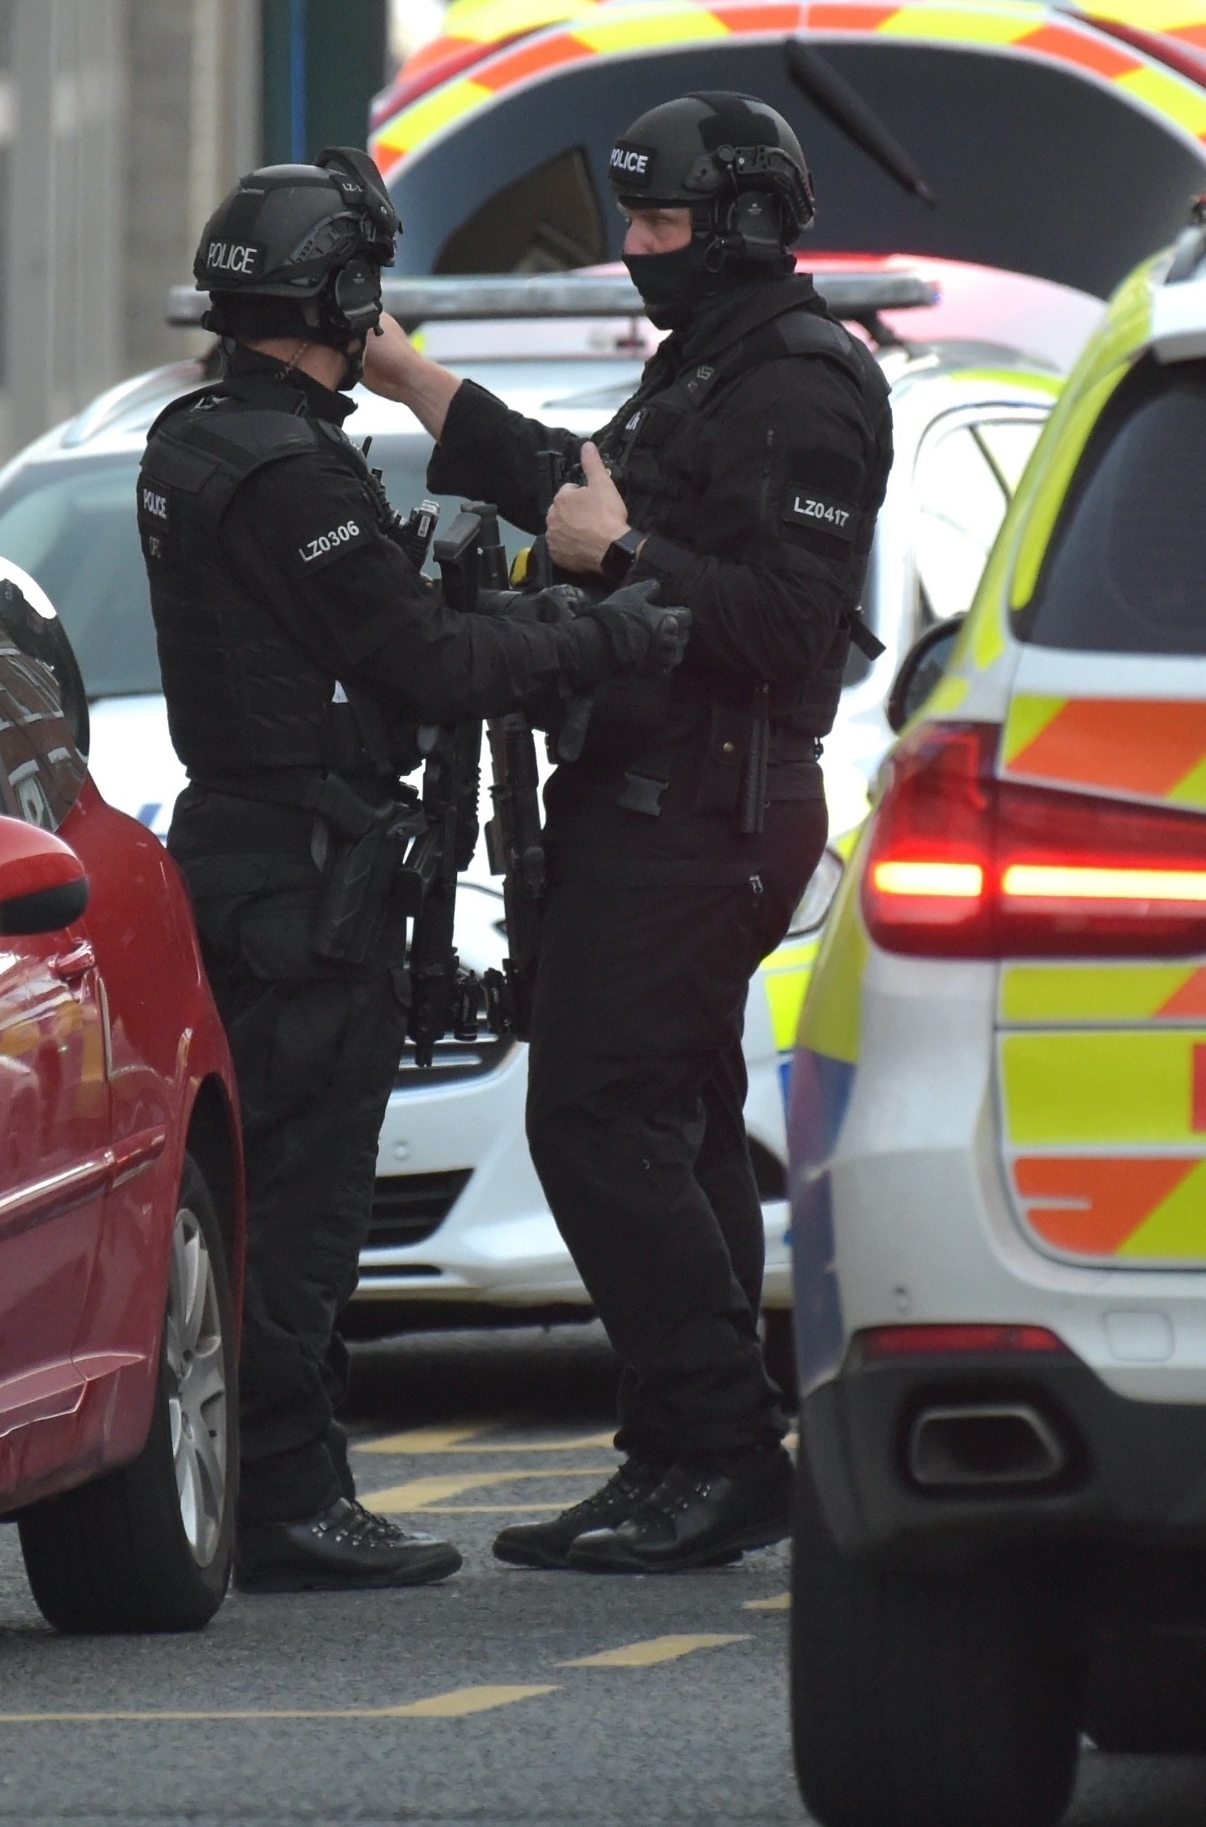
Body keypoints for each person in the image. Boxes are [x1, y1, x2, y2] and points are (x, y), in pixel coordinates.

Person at [140, 150, 693, 1592]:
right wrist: (611, 634)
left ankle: (262, 1478)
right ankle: (290, 1495)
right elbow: (426, 661)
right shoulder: (285, 468)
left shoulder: (197, 434)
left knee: (267, 1183)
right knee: (307, 1200)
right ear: (343, 293)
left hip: (256, 852)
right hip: (306, 871)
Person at [362, 93, 893, 1575]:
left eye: (660, 225)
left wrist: (626, 557)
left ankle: (718, 1450)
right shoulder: (705, 371)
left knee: (593, 1115)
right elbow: (567, 488)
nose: (638, 248)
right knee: (668, 1114)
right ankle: (684, 1445)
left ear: (739, 227)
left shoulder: (803, 386)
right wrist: (413, 378)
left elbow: (788, 626)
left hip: (709, 810)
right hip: (656, 801)